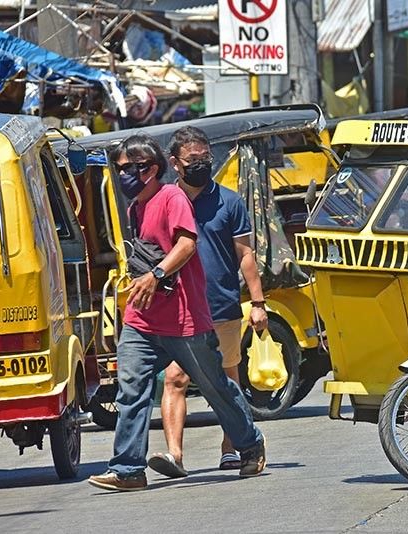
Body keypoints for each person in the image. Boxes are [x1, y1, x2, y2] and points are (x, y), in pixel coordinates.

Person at [88, 135, 265, 492]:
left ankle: (249, 443)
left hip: (186, 319)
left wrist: (156, 275)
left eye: (127, 169)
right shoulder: (136, 207)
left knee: (216, 385)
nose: (122, 176)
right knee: (131, 389)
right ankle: (128, 469)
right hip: (143, 319)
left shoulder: (173, 197)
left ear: (151, 169)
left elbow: (187, 243)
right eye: (119, 169)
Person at [146, 126, 269, 478]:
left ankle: (233, 447)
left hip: (221, 305)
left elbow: (245, 255)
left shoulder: (229, 201)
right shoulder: (164, 200)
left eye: (205, 159)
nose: (200, 165)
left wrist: (257, 302)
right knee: (175, 378)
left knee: (226, 379)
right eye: (192, 160)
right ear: (174, 163)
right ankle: (175, 456)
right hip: (178, 309)